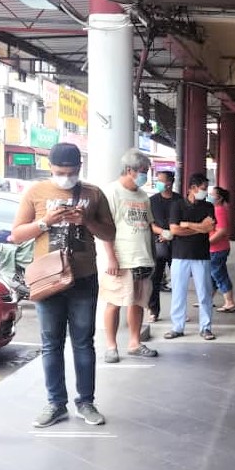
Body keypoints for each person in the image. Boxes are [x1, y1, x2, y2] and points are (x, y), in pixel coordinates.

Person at [10, 142, 116, 428]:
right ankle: (56, 403)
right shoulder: (35, 192)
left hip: (83, 278)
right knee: (51, 343)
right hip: (47, 279)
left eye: (70, 173)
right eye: (60, 172)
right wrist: (45, 222)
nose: (65, 177)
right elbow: (16, 235)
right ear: (50, 168)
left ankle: (86, 402)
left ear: (79, 168)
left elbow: (110, 233)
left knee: (83, 342)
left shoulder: (93, 194)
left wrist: (87, 221)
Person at [99, 150, 159, 364]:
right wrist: (111, 258)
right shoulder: (111, 192)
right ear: (128, 170)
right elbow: (105, 229)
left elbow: (148, 226)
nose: (145, 175)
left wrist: (152, 256)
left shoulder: (143, 196)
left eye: (147, 171)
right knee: (114, 302)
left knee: (138, 302)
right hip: (121, 260)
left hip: (143, 257)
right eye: (142, 171)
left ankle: (134, 343)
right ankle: (111, 346)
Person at [164, 173, 217, 341]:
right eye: (203, 188)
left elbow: (210, 228)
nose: (205, 192)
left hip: (201, 255)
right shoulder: (177, 205)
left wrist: (187, 225)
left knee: (204, 293)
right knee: (178, 292)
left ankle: (206, 327)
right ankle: (177, 327)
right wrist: (199, 227)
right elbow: (174, 230)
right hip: (179, 255)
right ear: (192, 188)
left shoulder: (208, 206)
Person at [148, 170, 182, 322]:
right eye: (158, 180)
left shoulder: (179, 200)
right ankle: (153, 310)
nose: (159, 183)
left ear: (170, 182)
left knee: (178, 279)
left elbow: (184, 222)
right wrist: (163, 232)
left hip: (178, 243)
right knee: (154, 279)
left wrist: (172, 233)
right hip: (158, 243)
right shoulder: (152, 200)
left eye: (161, 180)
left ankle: (179, 311)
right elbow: (150, 223)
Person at [209, 186, 235, 312]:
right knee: (212, 275)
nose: (209, 196)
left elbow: (222, 231)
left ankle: (229, 302)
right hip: (215, 249)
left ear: (219, 198)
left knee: (219, 275)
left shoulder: (219, 210)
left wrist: (207, 242)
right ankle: (207, 299)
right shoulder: (216, 209)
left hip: (217, 249)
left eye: (212, 194)